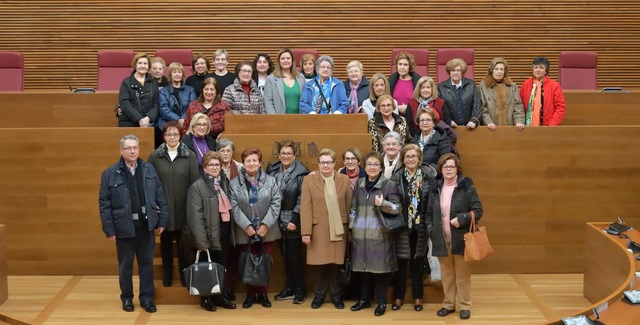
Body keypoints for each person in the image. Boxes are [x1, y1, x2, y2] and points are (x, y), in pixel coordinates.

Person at [98, 134, 168, 313]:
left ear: (139, 149)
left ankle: (146, 299)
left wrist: (162, 219)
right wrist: (109, 230)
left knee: (146, 265)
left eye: (135, 147)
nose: (132, 151)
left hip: (146, 226)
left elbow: (160, 195)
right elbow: (104, 204)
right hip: (124, 228)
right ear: (121, 150)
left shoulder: (149, 169)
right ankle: (127, 298)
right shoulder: (110, 173)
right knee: (125, 266)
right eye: (128, 148)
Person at [423, 153, 483, 320]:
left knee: (462, 277)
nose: (448, 169)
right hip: (441, 240)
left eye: (452, 166)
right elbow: (428, 213)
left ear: (457, 169)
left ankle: (464, 306)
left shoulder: (467, 187)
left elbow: (478, 211)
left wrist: (462, 219)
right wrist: (431, 230)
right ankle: (448, 304)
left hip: (462, 240)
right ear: (441, 169)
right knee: (447, 276)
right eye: (445, 166)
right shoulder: (435, 189)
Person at [349, 151, 402, 317]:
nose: (372, 167)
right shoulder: (359, 183)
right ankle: (364, 300)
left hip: (380, 236)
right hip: (360, 235)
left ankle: (381, 302)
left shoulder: (388, 185)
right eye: (369, 164)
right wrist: (352, 225)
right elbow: (353, 207)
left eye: (376, 164)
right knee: (363, 270)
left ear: (381, 167)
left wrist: (383, 203)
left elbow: (397, 208)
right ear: (365, 167)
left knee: (380, 272)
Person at [147, 122, 199, 288]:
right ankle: (167, 273)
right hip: (164, 207)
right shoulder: (155, 156)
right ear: (163, 136)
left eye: (175, 134)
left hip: (184, 207)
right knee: (166, 242)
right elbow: (150, 183)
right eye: (168, 134)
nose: (172, 137)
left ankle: (185, 274)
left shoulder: (189, 155)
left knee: (183, 243)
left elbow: (194, 183)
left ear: (180, 136)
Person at [184, 151, 237, 312]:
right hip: (207, 235)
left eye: (217, 165)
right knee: (207, 267)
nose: (214, 167)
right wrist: (201, 242)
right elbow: (195, 217)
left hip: (223, 233)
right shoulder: (197, 187)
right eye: (211, 165)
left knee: (221, 266)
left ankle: (218, 295)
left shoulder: (224, 182)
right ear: (205, 167)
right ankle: (205, 298)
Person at [300, 148, 352, 310]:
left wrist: (351, 229)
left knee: (335, 264)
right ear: (318, 164)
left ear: (335, 163)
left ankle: (336, 295)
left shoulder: (344, 179)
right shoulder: (309, 180)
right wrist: (306, 232)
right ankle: (319, 295)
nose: (325, 165)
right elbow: (305, 207)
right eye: (322, 162)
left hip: (339, 229)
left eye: (329, 162)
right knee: (319, 264)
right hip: (318, 229)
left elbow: (350, 205)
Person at [229, 147, 281, 309]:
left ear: (260, 163)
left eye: (254, 160)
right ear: (243, 163)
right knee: (248, 263)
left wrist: (265, 225)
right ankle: (250, 295)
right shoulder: (234, 183)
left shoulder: (271, 181)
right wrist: (247, 227)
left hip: (267, 230)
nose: (251, 163)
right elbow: (234, 207)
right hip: (245, 232)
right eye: (248, 161)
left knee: (264, 263)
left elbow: (275, 204)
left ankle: (263, 294)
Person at [389, 143, 436, 312]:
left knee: (417, 263)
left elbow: (432, 201)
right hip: (402, 226)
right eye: (407, 156)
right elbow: (393, 200)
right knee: (401, 263)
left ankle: (418, 298)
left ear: (419, 159)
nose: (410, 159)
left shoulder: (428, 175)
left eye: (413, 156)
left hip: (421, 225)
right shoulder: (397, 177)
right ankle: (398, 297)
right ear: (403, 159)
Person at [266, 140, 310, 304]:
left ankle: (300, 288)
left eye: (289, 154)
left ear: (294, 155)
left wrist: (294, 219)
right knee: (284, 256)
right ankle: (290, 286)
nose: (285, 156)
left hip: (293, 221)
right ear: (279, 155)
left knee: (294, 257)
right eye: (283, 153)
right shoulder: (272, 170)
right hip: (275, 220)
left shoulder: (302, 173)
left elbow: (302, 199)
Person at [479, 58, 525, 131]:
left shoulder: (512, 86)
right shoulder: (483, 86)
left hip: (510, 129)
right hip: (489, 129)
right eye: (496, 69)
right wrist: (488, 122)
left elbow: (518, 106)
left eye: (501, 69)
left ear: (505, 71)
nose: (499, 72)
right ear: (492, 71)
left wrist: (519, 121)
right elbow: (482, 107)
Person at [519, 56, 566, 126]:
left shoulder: (554, 86)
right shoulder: (526, 84)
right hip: (527, 127)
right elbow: (519, 106)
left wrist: (551, 126)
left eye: (541, 68)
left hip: (548, 128)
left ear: (546, 71)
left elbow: (560, 108)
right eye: (535, 67)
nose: (538, 70)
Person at [117, 53, 159, 128]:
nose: (142, 66)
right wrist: (139, 119)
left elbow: (156, 104)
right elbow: (125, 104)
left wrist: (148, 118)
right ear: (135, 65)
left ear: (148, 66)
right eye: (140, 63)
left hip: (148, 122)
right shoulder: (126, 82)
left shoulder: (153, 83)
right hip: (128, 122)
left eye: (145, 63)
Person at [437, 58, 482, 129]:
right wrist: (449, 121)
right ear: (449, 72)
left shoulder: (471, 84)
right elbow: (439, 108)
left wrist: (474, 120)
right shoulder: (441, 87)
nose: (455, 73)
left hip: (470, 127)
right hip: (450, 128)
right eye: (453, 70)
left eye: (458, 70)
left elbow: (477, 105)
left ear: (462, 72)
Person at [264, 48, 306, 114]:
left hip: (299, 120)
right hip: (279, 120)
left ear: (292, 61)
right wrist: (274, 120)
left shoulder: (301, 77)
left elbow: (305, 100)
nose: (285, 61)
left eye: (288, 58)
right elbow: (268, 101)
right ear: (279, 61)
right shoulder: (271, 79)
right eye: (282, 58)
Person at [158, 62, 197, 132]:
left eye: (179, 72)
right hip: (168, 123)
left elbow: (193, 107)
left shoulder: (190, 90)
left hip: (187, 122)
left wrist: (183, 120)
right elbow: (163, 109)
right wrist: (178, 119)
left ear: (182, 75)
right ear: (170, 74)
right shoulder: (163, 91)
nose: (177, 74)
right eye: (174, 72)